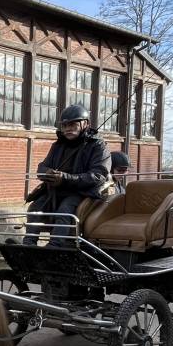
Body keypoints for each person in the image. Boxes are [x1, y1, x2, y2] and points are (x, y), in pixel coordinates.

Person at [23, 104, 110, 245]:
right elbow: (42, 167)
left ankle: (55, 246)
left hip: (82, 192)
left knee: (64, 211)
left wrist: (65, 178)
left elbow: (98, 175)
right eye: (64, 125)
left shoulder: (98, 146)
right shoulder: (58, 145)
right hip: (56, 191)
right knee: (35, 208)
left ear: (85, 124)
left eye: (73, 124)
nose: (68, 128)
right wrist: (47, 174)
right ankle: (28, 245)